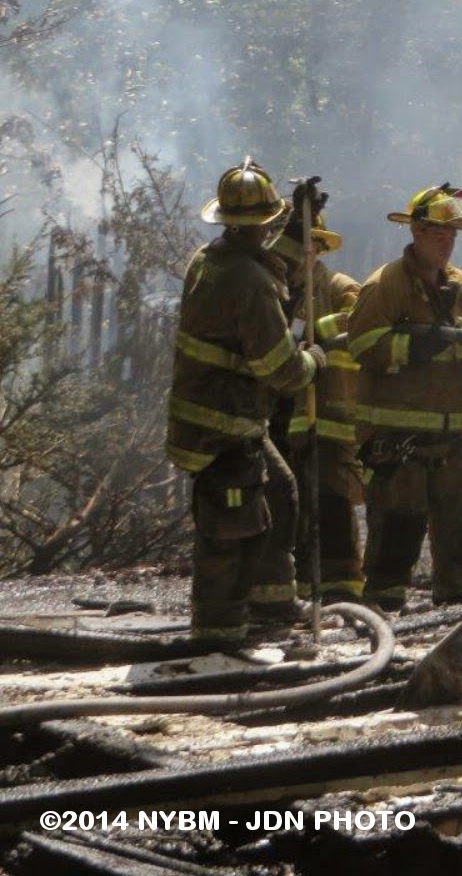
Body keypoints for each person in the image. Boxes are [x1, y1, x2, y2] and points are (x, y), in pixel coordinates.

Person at [166, 159, 324, 644]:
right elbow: (282, 370)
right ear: (262, 222)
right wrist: (317, 358)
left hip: (225, 419)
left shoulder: (212, 258)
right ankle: (218, 630)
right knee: (229, 527)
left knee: (279, 493)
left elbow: (273, 265)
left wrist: (299, 227)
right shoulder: (248, 283)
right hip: (223, 426)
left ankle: (273, 604)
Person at [346, 183, 462, 611]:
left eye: (453, 236)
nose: (448, 244)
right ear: (417, 234)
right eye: (440, 235)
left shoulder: (461, 285)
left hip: (457, 439)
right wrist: (413, 347)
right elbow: (362, 344)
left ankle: (455, 618)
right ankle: (379, 624)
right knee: (396, 534)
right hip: (400, 439)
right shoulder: (386, 286)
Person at [251, 181, 366, 612]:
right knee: (288, 504)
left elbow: (362, 324)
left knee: (331, 503)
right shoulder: (275, 288)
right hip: (282, 417)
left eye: (310, 247)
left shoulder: (337, 287)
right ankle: (298, 589)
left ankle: (342, 592)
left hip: (328, 418)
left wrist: (320, 332)